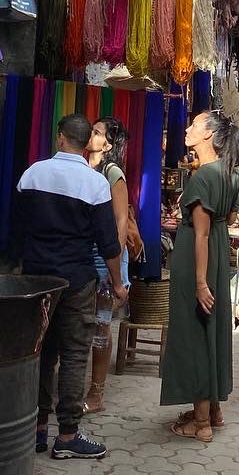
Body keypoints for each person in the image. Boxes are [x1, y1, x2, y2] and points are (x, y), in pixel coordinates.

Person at [18, 113, 126, 459]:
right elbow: (108, 243)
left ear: (60, 137)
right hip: (77, 280)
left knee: (41, 351)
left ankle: (36, 429)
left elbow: (17, 225)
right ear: (86, 143)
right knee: (74, 353)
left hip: (37, 279)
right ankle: (66, 435)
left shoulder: (33, 174)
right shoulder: (94, 183)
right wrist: (118, 282)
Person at [160, 109, 239, 442]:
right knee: (211, 330)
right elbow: (229, 218)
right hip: (218, 257)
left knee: (194, 333)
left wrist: (199, 282)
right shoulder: (229, 173)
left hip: (198, 260)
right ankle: (213, 410)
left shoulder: (202, 177)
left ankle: (201, 422)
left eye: (194, 124)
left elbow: (201, 234)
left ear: (208, 134)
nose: (187, 128)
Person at [84, 116, 143, 414]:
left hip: (104, 255)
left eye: (97, 133)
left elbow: (120, 222)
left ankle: (97, 393)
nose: (91, 135)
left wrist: (115, 267)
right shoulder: (85, 167)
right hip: (85, 252)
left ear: (107, 145)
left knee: (101, 325)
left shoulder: (112, 172)